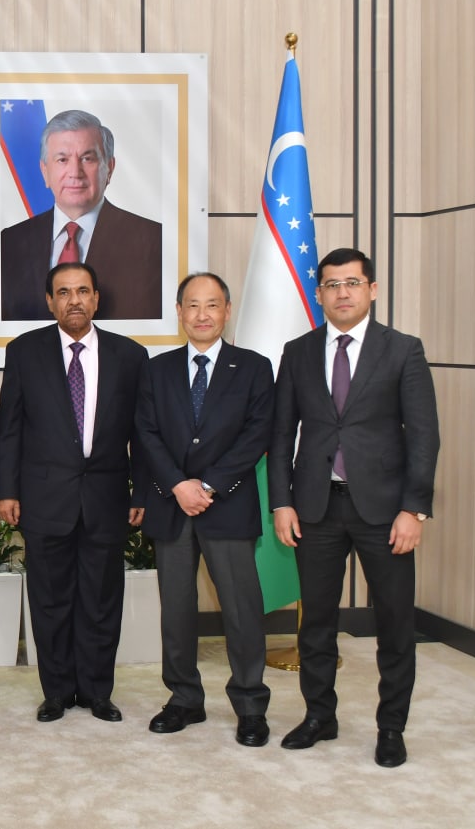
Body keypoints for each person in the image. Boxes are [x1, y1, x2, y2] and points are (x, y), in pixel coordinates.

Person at [271, 248, 440, 768]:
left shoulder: (403, 350)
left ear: (372, 290)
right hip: (316, 507)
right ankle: (319, 716)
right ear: (319, 293)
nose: (342, 293)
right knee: (315, 623)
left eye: (352, 283)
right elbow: (281, 436)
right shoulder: (298, 351)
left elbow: (424, 436)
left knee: (394, 623)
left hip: (386, 512)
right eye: (331, 284)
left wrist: (414, 510)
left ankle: (391, 728)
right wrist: (281, 502)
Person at [0, 262, 148, 723]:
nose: (74, 300)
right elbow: (9, 428)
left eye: (82, 291)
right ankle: (57, 692)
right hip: (44, 498)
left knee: (101, 601)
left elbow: (143, 433)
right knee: (50, 601)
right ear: (50, 302)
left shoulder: (129, 355)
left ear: (96, 298)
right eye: (63, 292)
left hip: (106, 498)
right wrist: (6, 490)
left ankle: (98, 692)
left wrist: (141, 491)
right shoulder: (24, 352)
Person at [134, 272, 273, 747]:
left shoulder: (253, 367)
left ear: (227, 311)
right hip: (172, 506)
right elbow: (145, 433)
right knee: (176, 611)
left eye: (212, 305)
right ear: (179, 312)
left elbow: (257, 434)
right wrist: (178, 484)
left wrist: (208, 485)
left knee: (242, 611)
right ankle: (184, 698)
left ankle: (250, 705)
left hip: (227, 505)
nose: (202, 314)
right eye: (192, 305)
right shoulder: (156, 369)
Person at [0, 109, 162, 322]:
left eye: (87, 158)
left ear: (109, 168)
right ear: (44, 172)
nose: (75, 172)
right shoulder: (9, 242)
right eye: (62, 160)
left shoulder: (152, 239)